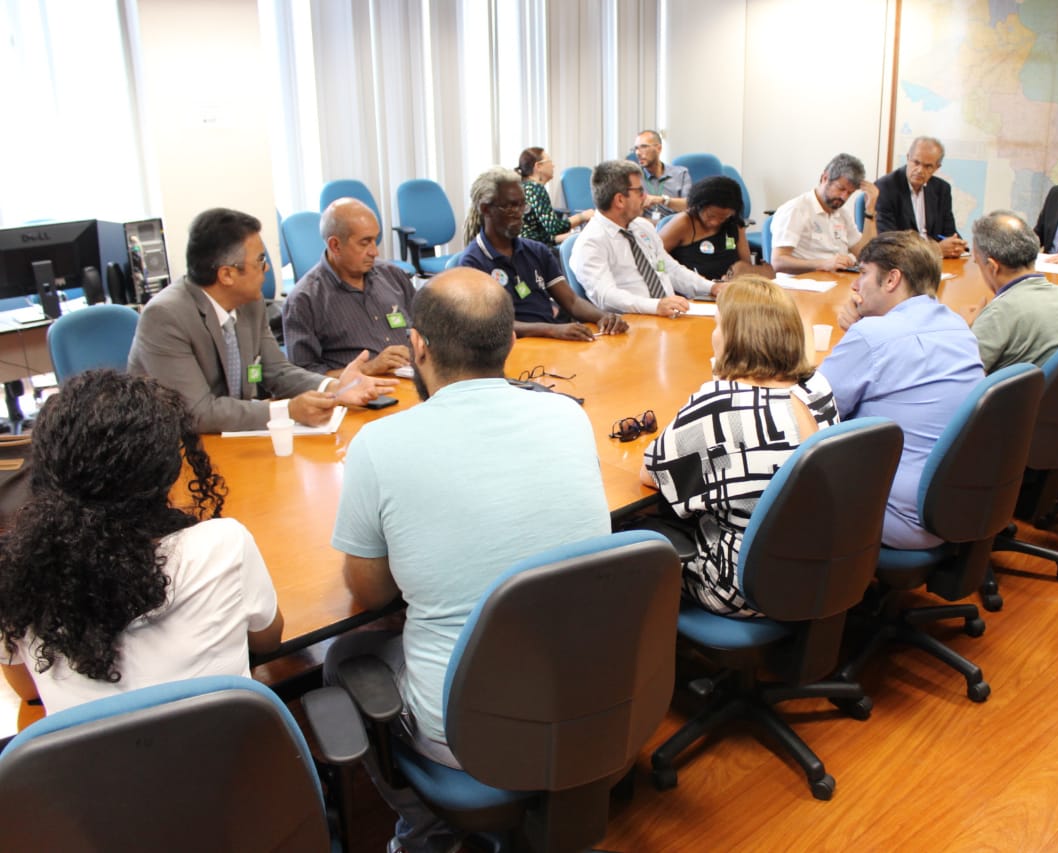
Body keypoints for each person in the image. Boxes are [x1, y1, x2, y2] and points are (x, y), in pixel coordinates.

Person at [326, 267, 610, 851]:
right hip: (586, 695)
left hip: (467, 733)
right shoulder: (569, 417)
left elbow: (371, 594)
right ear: (510, 343)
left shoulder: (379, 445)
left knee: (342, 656)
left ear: (418, 347)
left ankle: (424, 826)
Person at [0, 370, 282, 715]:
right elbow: (268, 640)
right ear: (168, 470)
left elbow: (27, 689)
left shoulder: (20, 571)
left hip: (90, 751)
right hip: (228, 745)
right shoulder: (223, 546)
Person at [642, 276, 837, 617]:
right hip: (817, 568)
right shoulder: (816, 385)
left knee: (632, 530)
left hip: (743, 586)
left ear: (736, 337)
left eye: (718, 325)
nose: (713, 334)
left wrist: (716, 387)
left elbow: (651, 474)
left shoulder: (721, 404)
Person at [128, 208, 395, 433]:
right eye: (260, 260)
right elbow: (198, 412)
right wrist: (286, 410)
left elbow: (277, 371)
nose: (266, 268)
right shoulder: (165, 317)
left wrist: (335, 387)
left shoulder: (250, 303)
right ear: (227, 275)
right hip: (174, 446)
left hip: (234, 436)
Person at [817, 231, 984, 549]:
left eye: (863, 273)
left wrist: (858, 334)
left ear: (892, 279)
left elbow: (815, 409)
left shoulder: (873, 335)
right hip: (958, 503)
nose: (855, 286)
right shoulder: (957, 325)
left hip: (901, 515)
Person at [458, 166, 627, 340]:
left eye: (522, 205)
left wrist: (604, 317)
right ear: (486, 209)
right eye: (510, 207)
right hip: (513, 348)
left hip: (550, 343)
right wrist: (551, 330)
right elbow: (491, 324)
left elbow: (572, 301)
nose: (519, 214)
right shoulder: (472, 263)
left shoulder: (537, 251)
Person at [283, 198, 418, 376]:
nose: (374, 252)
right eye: (365, 242)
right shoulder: (305, 300)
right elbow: (304, 377)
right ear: (335, 246)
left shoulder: (393, 276)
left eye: (375, 240)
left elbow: (426, 332)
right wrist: (368, 368)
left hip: (413, 379)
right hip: (359, 389)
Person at [569, 159, 719, 317]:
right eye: (640, 191)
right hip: (633, 323)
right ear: (620, 200)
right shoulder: (591, 242)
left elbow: (669, 268)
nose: (645, 197)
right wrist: (655, 306)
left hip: (669, 315)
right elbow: (606, 296)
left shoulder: (642, 227)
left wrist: (711, 287)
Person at [970, 210, 1058, 371]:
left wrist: (967, 329)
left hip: (1014, 388)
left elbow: (959, 377)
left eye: (977, 263)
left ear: (992, 266)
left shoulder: (998, 314)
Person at [770, 153, 879, 273]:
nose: (844, 197)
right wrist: (822, 264)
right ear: (824, 178)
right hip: (803, 281)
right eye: (841, 189)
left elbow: (865, 255)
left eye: (850, 193)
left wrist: (870, 211)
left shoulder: (842, 213)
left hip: (837, 279)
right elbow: (778, 262)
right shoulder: (796, 209)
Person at [658, 175, 770, 281]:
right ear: (699, 206)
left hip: (728, 289)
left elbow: (746, 264)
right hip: (692, 289)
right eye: (711, 216)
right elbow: (654, 255)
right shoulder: (684, 223)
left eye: (723, 217)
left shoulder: (734, 224)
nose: (715, 222)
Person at [874, 136, 968, 258]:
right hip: (904, 262)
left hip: (936, 263)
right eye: (916, 162)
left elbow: (949, 232)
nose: (920, 170)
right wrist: (935, 249)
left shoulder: (942, 189)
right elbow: (888, 242)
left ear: (937, 167)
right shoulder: (885, 187)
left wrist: (956, 245)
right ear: (908, 158)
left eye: (928, 166)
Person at [516, 146, 594, 246]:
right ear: (538, 166)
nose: (553, 165)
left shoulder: (525, 187)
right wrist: (582, 216)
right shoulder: (536, 189)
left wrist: (567, 236)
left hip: (526, 246)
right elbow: (554, 228)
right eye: (549, 162)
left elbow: (536, 234)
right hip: (533, 250)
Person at [633, 129, 691, 219]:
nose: (638, 153)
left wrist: (662, 200)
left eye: (644, 147)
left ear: (659, 148)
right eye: (636, 148)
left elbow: (689, 204)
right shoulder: (634, 177)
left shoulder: (680, 173)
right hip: (646, 225)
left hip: (676, 224)